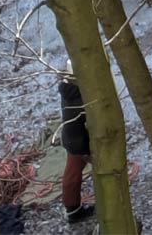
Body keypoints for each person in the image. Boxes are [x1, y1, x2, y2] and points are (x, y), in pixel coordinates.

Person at [58, 63, 95, 225]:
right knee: (73, 175)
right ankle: (73, 210)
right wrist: (85, 152)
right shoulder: (80, 99)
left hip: (73, 137)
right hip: (77, 141)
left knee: (72, 174)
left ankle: (72, 209)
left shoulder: (69, 89)